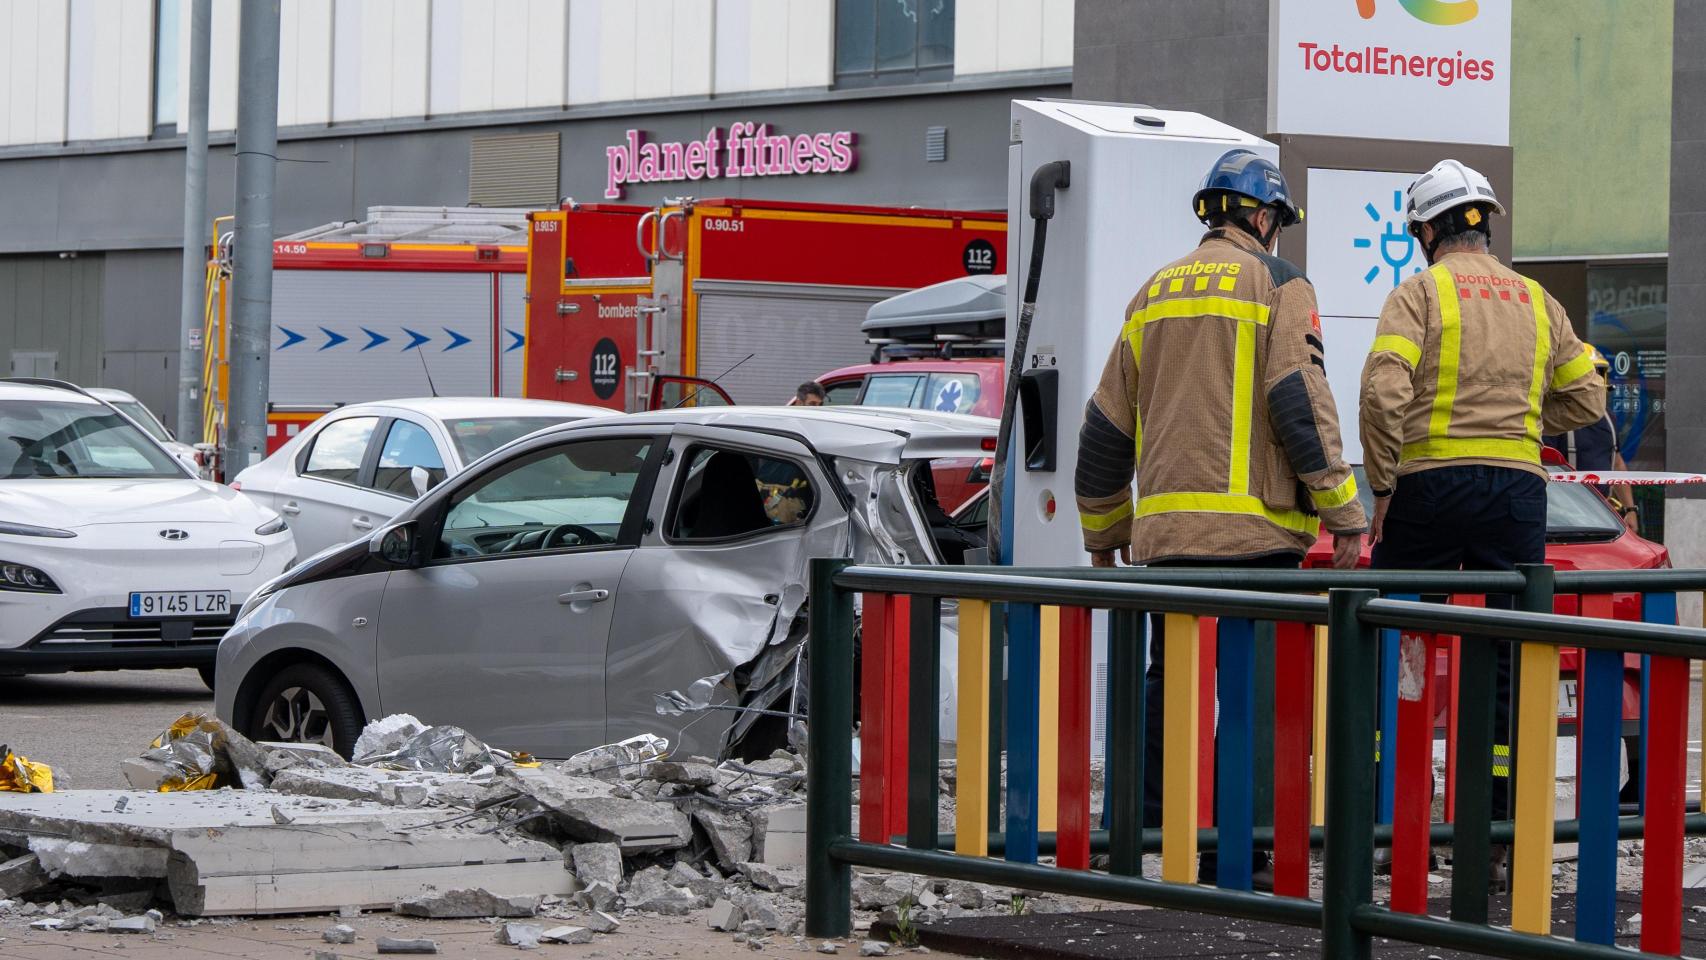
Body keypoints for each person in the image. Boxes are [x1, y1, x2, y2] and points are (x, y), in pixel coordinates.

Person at [1075, 148, 1367, 881]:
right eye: (1279, 222)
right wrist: (1343, 510)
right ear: (1263, 218)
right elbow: (1299, 398)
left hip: (1168, 541)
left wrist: (1104, 532)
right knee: (1252, 695)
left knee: (1168, 690)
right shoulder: (1280, 283)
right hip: (1255, 537)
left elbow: (1105, 424)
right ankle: (1240, 850)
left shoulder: (1153, 291)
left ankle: (1144, 838)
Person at [1359, 159, 1605, 886]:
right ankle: (1496, 836)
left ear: (1427, 231)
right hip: (1517, 496)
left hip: (1427, 491)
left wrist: (1382, 486)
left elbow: (1382, 395)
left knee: (1400, 646)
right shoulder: (1537, 299)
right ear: (1484, 225)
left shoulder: (1418, 294)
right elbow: (1587, 397)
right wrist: (1519, 416)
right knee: (1505, 659)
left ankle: (1396, 826)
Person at [1542, 346, 1639, 532]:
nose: (1593, 383)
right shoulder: (1556, 419)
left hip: (1601, 514)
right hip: (1562, 518)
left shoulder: (1608, 417)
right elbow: (1546, 468)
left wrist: (1630, 509)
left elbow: (1616, 462)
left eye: (1597, 375)